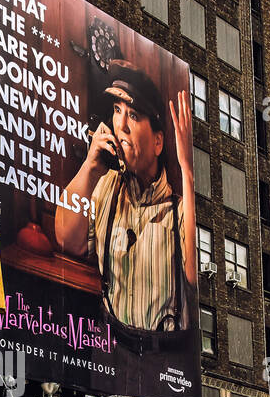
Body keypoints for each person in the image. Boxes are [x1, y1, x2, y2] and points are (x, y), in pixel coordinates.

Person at [56, 63, 197, 337]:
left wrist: (188, 173)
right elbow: (65, 241)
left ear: (158, 142)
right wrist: (90, 167)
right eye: (117, 111)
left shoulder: (179, 209)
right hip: (111, 355)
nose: (120, 126)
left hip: (164, 362)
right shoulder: (105, 186)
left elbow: (192, 276)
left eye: (132, 115)